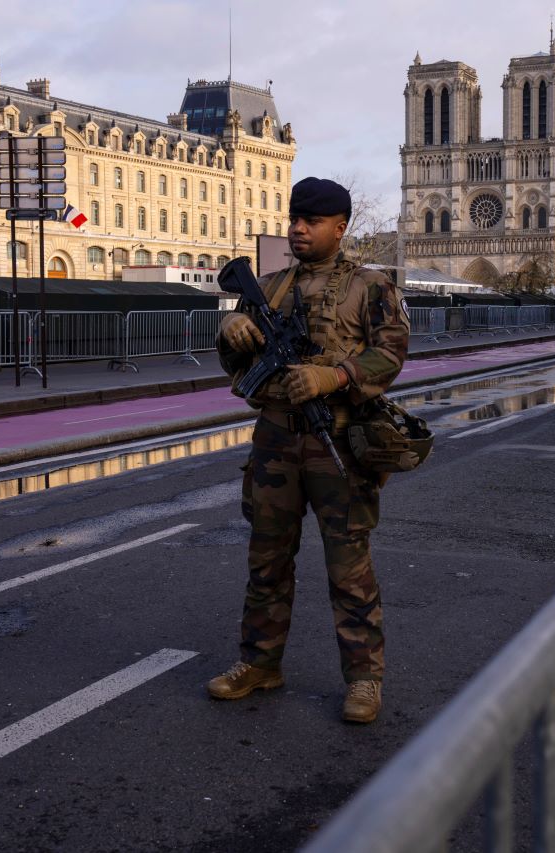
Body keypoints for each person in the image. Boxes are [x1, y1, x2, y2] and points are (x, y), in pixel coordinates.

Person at [209, 177, 410, 723]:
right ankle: (260, 664)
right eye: (294, 219)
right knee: (266, 562)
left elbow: (390, 356)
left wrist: (334, 376)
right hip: (275, 440)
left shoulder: (371, 287)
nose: (298, 229)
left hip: (337, 439)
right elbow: (238, 367)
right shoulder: (269, 287)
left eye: (312, 221)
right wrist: (229, 331)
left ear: (340, 228)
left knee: (349, 567)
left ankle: (365, 680)